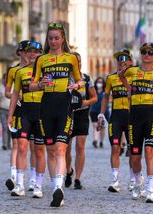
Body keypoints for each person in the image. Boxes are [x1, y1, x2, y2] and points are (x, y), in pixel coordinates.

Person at [30, 22, 82, 207]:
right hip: (46, 106)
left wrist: (77, 85)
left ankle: (59, 188)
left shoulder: (71, 58)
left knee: (61, 148)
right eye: (50, 38)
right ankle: (55, 189)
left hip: (64, 105)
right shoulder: (41, 60)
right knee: (50, 150)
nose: (53, 41)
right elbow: (31, 85)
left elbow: (80, 80)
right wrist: (40, 85)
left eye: (56, 38)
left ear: (63, 39)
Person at [119, 43, 153, 203]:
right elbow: (121, 76)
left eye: (150, 53)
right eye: (144, 52)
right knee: (135, 156)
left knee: (150, 150)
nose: (147, 55)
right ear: (141, 54)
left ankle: (150, 189)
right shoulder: (133, 70)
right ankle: (137, 182)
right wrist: (129, 89)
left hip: (151, 115)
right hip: (134, 116)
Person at [8, 41, 46, 198]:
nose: (32, 54)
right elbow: (15, 94)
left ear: (41, 54)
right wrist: (10, 115)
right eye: (29, 51)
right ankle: (19, 184)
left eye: (36, 52)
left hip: (42, 113)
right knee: (22, 147)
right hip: (25, 112)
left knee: (39, 150)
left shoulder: (46, 72)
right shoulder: (20, 72)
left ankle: (38, 185)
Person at [98, 49, 137, 193]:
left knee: (133, 150)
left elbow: (133, 94)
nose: (122, 61)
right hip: (115, 116)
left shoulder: (135, 77)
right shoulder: (110, 78)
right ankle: (115, 180)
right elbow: (106, 97)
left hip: (131, 116)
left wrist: (124, 79)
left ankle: (133, 179)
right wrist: (101, 115)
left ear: (130, 62)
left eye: (125, 59)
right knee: (115, 147)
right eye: (119, 59)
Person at [65, 52, 97, 189]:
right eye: (75, 61)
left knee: (80, 146)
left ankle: (78, 178)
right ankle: (68, 171)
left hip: (82, 114)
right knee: (66, 147)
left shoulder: (86, 78)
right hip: (68, 114)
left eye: (79, 61)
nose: (77, 63)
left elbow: (95, 98)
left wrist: (86, 102)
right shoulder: (65, 79)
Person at [4, 40, 29, 191]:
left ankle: (31, 178)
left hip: (34, 108)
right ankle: (13, 175)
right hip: (18, 109)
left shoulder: (37, 69)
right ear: (19, 52)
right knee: (16, 144)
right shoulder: (13, 70)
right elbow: (7, 91)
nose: (27, 54)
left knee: (32, 145)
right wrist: (16, 95)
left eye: (30, 51)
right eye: (24, 51)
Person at [90, 77, 109, 148]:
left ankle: (101, 141)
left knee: (103, 127)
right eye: (98, 82)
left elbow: (109, 99)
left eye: (101, 82)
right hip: (94, 110)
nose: (99, 84)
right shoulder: (93, 90)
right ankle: (95, 140)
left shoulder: (106, 91)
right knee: (95, 126)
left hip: (104, 111)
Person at [0, 73, 11, 150]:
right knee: (4, 127)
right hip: (3, 110)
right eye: (4, 78)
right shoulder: (0, 88)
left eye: (7, 78)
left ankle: (9, 144)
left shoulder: (13, 86)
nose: (5, 80)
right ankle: (4, 144)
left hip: (11, 110)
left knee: (10, 128)